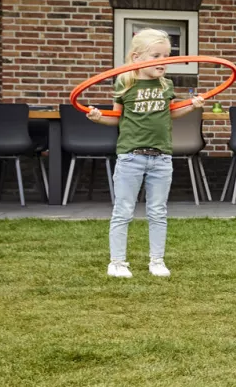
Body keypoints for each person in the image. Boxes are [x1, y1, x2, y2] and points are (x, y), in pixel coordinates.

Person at [86, 28, 204, 278]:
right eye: (156, 56)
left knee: (158, 211)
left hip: (161, 157)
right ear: (137, 57)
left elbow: (171, 113)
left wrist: (192, 107)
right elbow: (117, 118)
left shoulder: (166, 85)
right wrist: (98, 118)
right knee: (123, 210)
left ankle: (157, 261)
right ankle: (117, 262)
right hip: (131, 156)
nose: (163, 61)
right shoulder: (124, 82)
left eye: (167, 56)